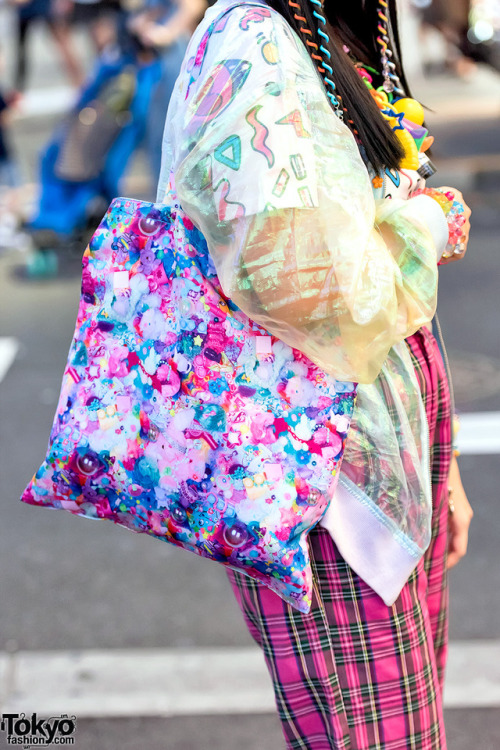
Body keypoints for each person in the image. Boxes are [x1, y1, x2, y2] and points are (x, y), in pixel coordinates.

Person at [156, 0, 473, 746]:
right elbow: (306, 290)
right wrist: (429, 222)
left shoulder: (327, 30)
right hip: (325, 478)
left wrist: (442, 462)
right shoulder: (257, 40)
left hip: (378, 456)